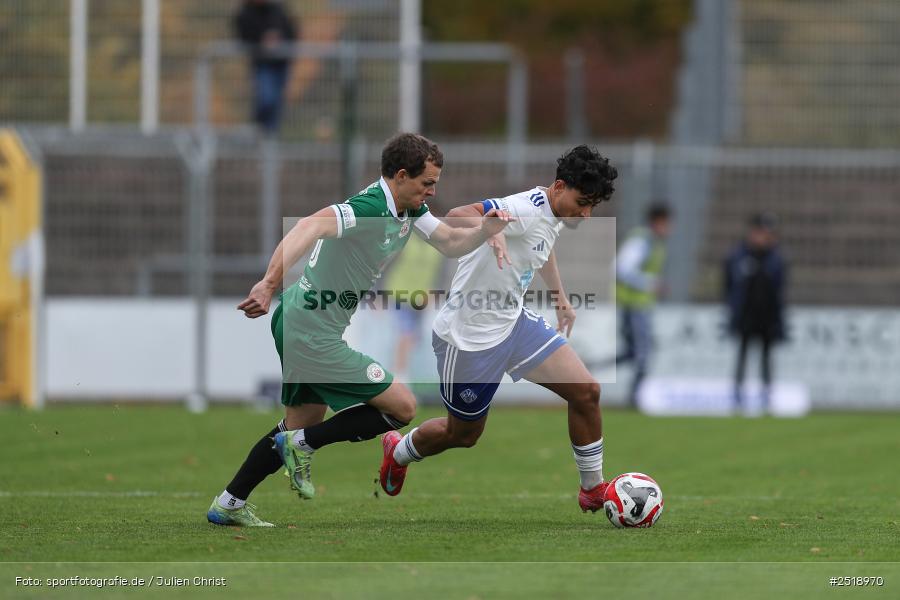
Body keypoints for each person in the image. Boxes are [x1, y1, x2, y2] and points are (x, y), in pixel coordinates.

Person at [207, 133, 512, 527]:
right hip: (310, 329)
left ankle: (229, 502)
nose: (433, 192)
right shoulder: (369, 207)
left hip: (305, 321)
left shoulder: (409, 209)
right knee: (402, 407)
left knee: (298, 426)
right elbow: (309, 226)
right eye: (427, 183)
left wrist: (484, 231)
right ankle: (300, 445)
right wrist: (268, 283)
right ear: (400, 176)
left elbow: (451, 242)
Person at [377, 145, 619, 514]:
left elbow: (541, 245)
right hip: (467, 337)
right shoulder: (524, 208)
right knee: (463, 434)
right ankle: (399, 451)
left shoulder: (552, 213)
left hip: (514, 325)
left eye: (592, 207)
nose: (585, 214)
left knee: (586, 392)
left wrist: (560, 297)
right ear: (559, 186)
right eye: (582, 203)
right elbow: (457, 215)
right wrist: (488, 230)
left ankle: (593, 488)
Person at [724, 212, 787, 414]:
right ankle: (737, 395)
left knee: (766, 357)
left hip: (767, 317)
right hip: (745, 315)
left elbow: (779, 289)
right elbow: (728, 286)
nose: (763, 237)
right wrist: (733, 308)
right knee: (742, 355)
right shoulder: (739, 256)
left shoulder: (775, 259)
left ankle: (766, 396)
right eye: (761, 233)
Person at [612, 202, 671, 408]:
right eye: (667, 223)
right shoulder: (642, 241)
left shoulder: (652, 242)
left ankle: (591, 372)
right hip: (634, 306)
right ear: (658, 221)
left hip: (638, 305)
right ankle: (633, 398)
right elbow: (620, 269)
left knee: (634, 351)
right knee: (642, 351)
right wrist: (650, 283)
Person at [233, 0, 298, 134]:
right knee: (266, 98)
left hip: (281, 63)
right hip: (263, 63)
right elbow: (244, 36)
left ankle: (269, 134)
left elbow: (291, 30)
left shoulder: (277, 9)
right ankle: (259, 128)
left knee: (276, 102)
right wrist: (262, 40)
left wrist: (279, 38)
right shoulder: (245, 13)